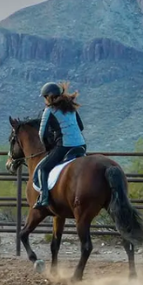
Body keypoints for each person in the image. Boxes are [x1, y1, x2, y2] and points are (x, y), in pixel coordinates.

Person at [34, 81, 87, 209]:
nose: (45, 100)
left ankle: (44, 198)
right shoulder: (71, 108)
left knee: (43, 168)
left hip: (64, 146)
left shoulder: (49, 110)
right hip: (81, 145)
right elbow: (81, 127)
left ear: (48, 97)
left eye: (45, 97)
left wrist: (48, 147)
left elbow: (42, 134)